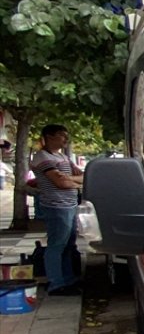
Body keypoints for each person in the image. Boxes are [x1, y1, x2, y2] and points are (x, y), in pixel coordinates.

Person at [30, 124, 83, 296]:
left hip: (70, 204)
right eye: (61, 135)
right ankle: (56, 282)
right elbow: (60, 182)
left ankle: (68, 278)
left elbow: (81, 176)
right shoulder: (43, 157)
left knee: (68, 245)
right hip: (56, 206)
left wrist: (70, 179)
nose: (65, 139)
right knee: (56, 245)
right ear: (50, 136)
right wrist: (73, 181)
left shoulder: (62, 157)